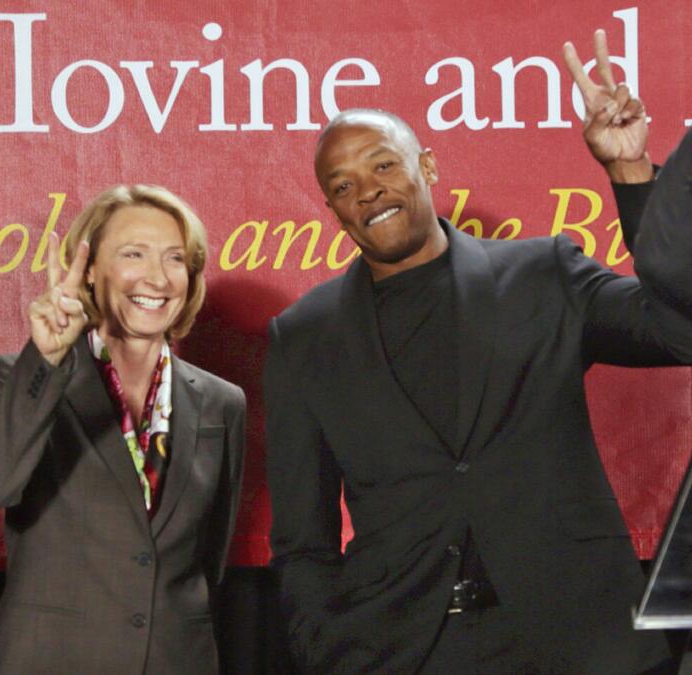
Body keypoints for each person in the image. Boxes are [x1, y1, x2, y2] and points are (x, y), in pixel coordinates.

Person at [264, 31, 692, 673]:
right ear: (332, 209)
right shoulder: (301, 336)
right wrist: (328, 651)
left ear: (427, 166)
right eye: (344, 185)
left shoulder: (543, 273)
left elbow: (677, 330)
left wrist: (629, 172)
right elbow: (302, 542)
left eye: (383, 164)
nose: (369, 191)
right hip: (407, 652)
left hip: (583, 641)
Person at [0, 185, 246, 673]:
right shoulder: (22, 374)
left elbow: (209, 559)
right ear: (89, 270)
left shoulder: (223, 402)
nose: (157, 277)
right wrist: (47, 360)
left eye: (175, 258)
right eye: (133, 254)